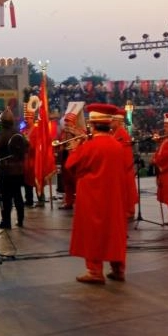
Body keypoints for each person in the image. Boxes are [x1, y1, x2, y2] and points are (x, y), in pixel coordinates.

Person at [65, 103, 129, 284]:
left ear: (92, 125)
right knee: (114, 232)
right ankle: (118, 269)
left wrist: (75, 148)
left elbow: (71, 165)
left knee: (93, 232)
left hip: (92, 196)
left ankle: (94, 271)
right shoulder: (117, 145)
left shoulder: (89, 146)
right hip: (114, 196)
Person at [112, 109, 138, 218]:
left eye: (113, 120)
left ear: (118, 122)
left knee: (127, 189)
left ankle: (129, 210)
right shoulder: (117, 133)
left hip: (124, 168)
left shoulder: (121, 134)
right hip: (122, 167)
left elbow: (125, 154)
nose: (111, 122)